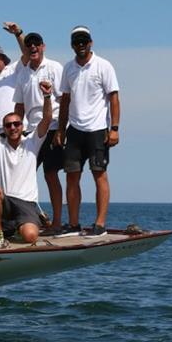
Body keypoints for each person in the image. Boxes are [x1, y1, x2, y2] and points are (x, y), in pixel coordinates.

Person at [54, 26, 120, 237]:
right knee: (72, 176)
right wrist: (61, 130)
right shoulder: (68, 68)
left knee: (99, 174)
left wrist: (115, 129)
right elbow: (65, 100)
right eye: (76, 41)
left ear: (91, 42)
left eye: (84, 41)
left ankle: (99, 224)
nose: (80, 45)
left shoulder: (104, 65)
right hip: (74, 130)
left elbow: (114, 98)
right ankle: (73, 224)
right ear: (72, 44)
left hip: (97, 129)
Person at [0, 76, 53, 247]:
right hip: (5, 201)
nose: (13, 128)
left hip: (27, 203)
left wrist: (47, 97)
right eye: (8, 125)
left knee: (31, 237)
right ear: (4, 128)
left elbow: (46, 120)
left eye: (16, 124)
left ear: (22, 126)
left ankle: (13, 227)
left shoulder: (32, 142)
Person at [10, 26, 66, 232]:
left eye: (36, 44)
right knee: (20, 175)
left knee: (51, 174)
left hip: (52, 127)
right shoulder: (23, 73)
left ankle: (58, 222)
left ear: (43, 47)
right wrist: (16, 129)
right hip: (30, 132)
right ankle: (24, 219)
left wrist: (61, 130)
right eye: (29, 45)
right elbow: (19, 106)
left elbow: (64, 100)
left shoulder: (54, 67)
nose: (33, 47)